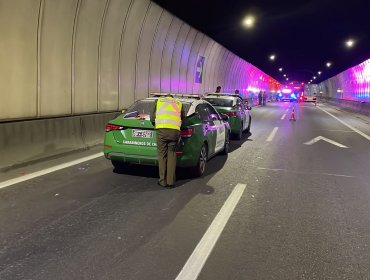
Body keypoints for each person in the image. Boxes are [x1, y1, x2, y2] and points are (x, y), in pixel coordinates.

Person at [151, 94, 185, 188]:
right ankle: (170, 182)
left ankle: (162, 181)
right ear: (172, 98)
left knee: (162, 155)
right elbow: (183, 118)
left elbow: (152, 118)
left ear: (165, 97)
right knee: (172, 155)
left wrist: (156, 125)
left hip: (161, 131)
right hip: (174, 132)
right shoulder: (179, 103)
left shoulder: (158, 101)